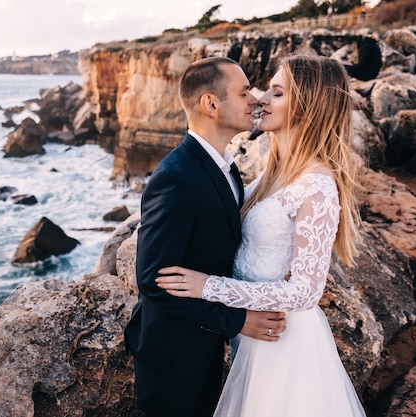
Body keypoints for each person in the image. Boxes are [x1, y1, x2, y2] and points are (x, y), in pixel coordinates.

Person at [156, 54, 366, 417]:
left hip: (282, 339)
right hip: (252, 333)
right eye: (266, 89)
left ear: (309, 107)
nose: (260, 99)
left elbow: (305, 292)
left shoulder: (316, 185)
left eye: (277, 92)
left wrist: (209, 286)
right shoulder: (272, 173)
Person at [124, 56, 287, 417]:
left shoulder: (227, 169)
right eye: (244, 92)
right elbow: (152, 281)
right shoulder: (175, 177)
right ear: (210, 104)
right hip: (173, 356)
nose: (254, 99)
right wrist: (238, 320)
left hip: (205, 346)